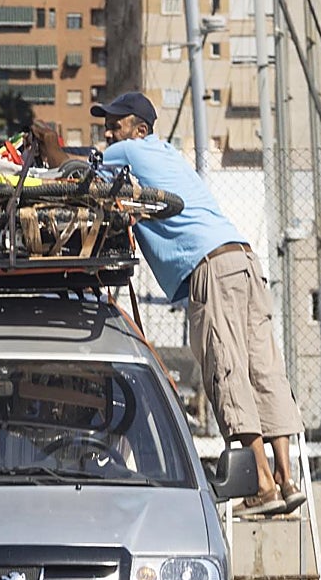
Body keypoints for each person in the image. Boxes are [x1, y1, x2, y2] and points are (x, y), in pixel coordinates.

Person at [32, 92, 305, 517]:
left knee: (227, 370)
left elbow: (71, 170)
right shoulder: (166, 155)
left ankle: (263, 486)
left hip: (210, 268)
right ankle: (287, 479)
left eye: (115, 125)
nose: (108, 133)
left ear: (139, 129)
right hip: (244, 261)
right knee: (263, 370)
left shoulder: (129, 152)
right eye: (107, 126)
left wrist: (50, 143)